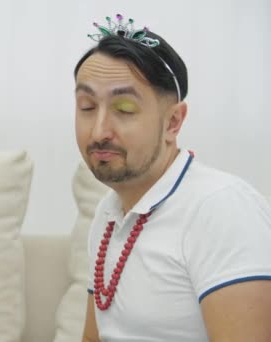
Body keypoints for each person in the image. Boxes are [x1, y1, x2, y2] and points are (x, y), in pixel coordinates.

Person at [74, 14, 271, 341]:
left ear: (173, 122)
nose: (99, 131)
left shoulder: (220, 208)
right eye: (86, 106)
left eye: (124, 109)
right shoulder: (108, 215)